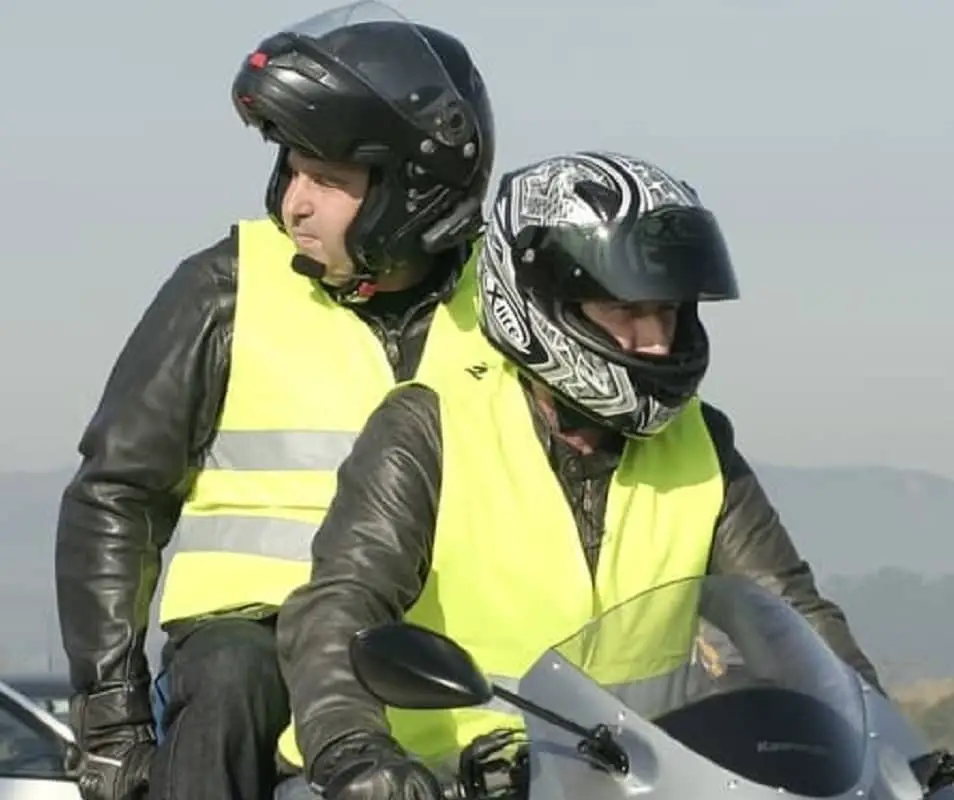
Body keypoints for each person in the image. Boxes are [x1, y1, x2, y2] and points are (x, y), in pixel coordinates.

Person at [273, 150, 883, 800]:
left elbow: (788, 612)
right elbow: (341, 606)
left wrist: (877, 745)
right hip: (430, 782)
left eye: (668, 313)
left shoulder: (701, 442)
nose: (655, 341)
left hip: (626, 785)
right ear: (540, 303)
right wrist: (354, 752)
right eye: (626, 311)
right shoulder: (430, 426)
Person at [52, 2, 495, 798]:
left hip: (450, 668)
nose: (293, 202)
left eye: (327, 180)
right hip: (250, 659)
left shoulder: (511, 314)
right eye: (291, 169)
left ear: (415, 191)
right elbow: (115, 495)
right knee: (231, 677)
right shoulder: (224, 286)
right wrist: (113, 725)